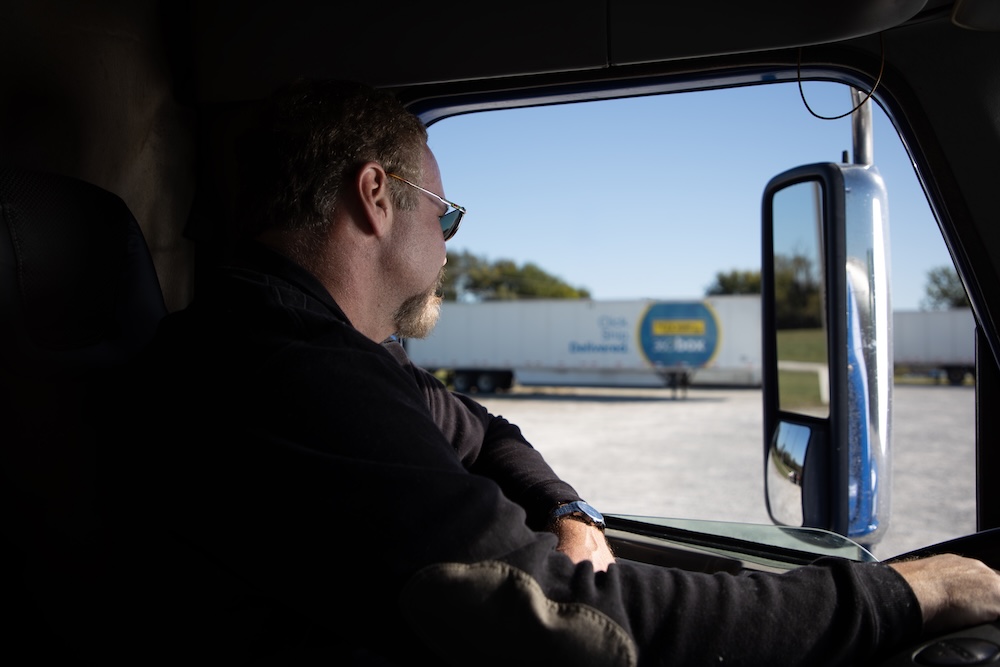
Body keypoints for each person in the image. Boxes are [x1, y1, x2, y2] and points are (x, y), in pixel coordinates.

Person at [128, 78, 1000, 665]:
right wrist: (902, 593)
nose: (447, 244)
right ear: (375, 196)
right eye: (445, 213)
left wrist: (570, 512)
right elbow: (571, 624)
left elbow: (491, 432)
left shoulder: (337, 360)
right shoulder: (287, 377)